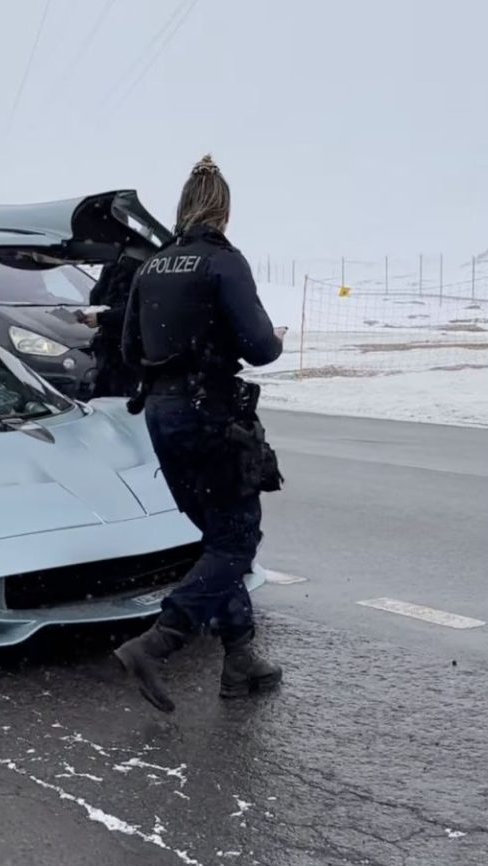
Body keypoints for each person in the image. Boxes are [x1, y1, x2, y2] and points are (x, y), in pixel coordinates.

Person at [113, 154, 288, 711]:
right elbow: (260, 347)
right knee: (237, 539)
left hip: (163, 416)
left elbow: (127, 351)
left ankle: (239, 659)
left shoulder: (152, 266)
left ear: (182, 208)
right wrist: (268, 338)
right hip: (211, 413)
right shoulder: (222, 263)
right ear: (224, 210)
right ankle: (157, 642)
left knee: (217, 540)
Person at [78, 254, 139, 398]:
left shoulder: (127, 267)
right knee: (110, 390)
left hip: (122, 341)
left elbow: (133, 311)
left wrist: (101, 316)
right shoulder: (115, 265)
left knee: (114, 391)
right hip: (114, 341)